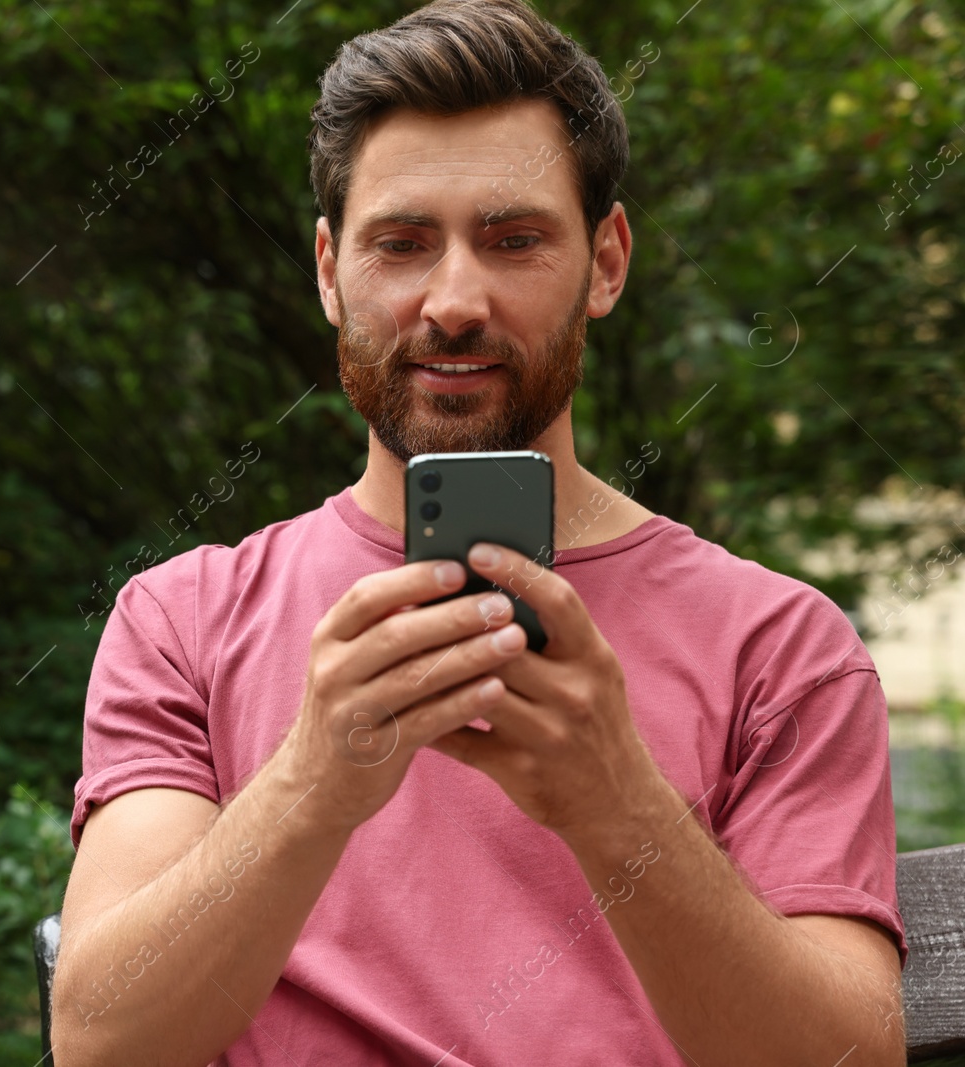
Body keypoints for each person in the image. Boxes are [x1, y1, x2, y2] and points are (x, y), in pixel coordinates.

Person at [51, 1, 908, 1063]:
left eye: (511, 240)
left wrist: (614, 804)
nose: (454, 300)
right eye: (402, 244)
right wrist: (314, 781)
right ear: (328, 270)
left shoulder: (782, 647)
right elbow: (102, 1042)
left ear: (605, 262)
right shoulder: (182, 618)